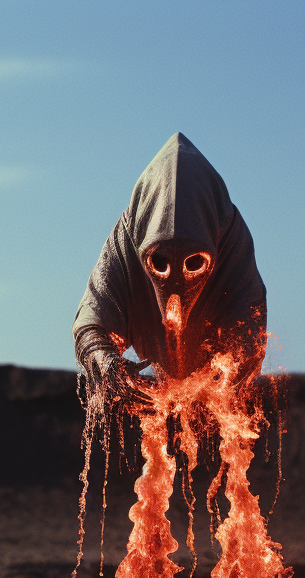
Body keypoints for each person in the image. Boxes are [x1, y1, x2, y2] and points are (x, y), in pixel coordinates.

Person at [74, 133, 267, 411]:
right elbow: (91, 324)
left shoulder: (231, 240)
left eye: (193, 263)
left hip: (213, 399)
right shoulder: (127, 239)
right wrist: (108, 363)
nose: (174, 307)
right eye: (160, 263)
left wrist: (225, 373)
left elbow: (249, 326)